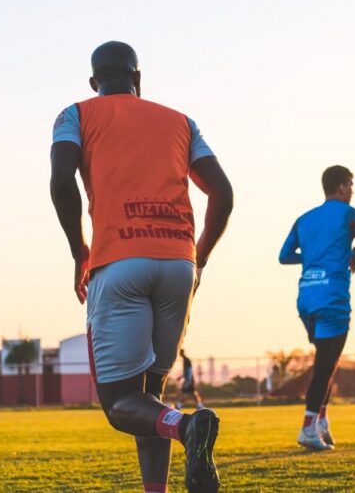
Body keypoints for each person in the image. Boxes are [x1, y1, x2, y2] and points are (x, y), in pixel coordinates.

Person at [50, 41, 234, 493]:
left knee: (119, 406)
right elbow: (223, 194)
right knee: (152, 401)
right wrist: (200, 258)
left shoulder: (76, 114)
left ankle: (188, 427)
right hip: (178, 266)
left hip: (120, 263)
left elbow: (61, 182)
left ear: (95, 83)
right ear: (139, 79)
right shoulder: (180, 121)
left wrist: (80, 251)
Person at [278, 165, 355, 451]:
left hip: (306, 298)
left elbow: (284, 256)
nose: (352, 192)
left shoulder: (303, 219)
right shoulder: (352, 215)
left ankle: (322, 423)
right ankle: (308, 428)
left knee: (327, 361)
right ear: (343, 186)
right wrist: (352, 254)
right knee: (324, 366)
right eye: (351, 186)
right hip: (332, 298)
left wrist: (313, 258)